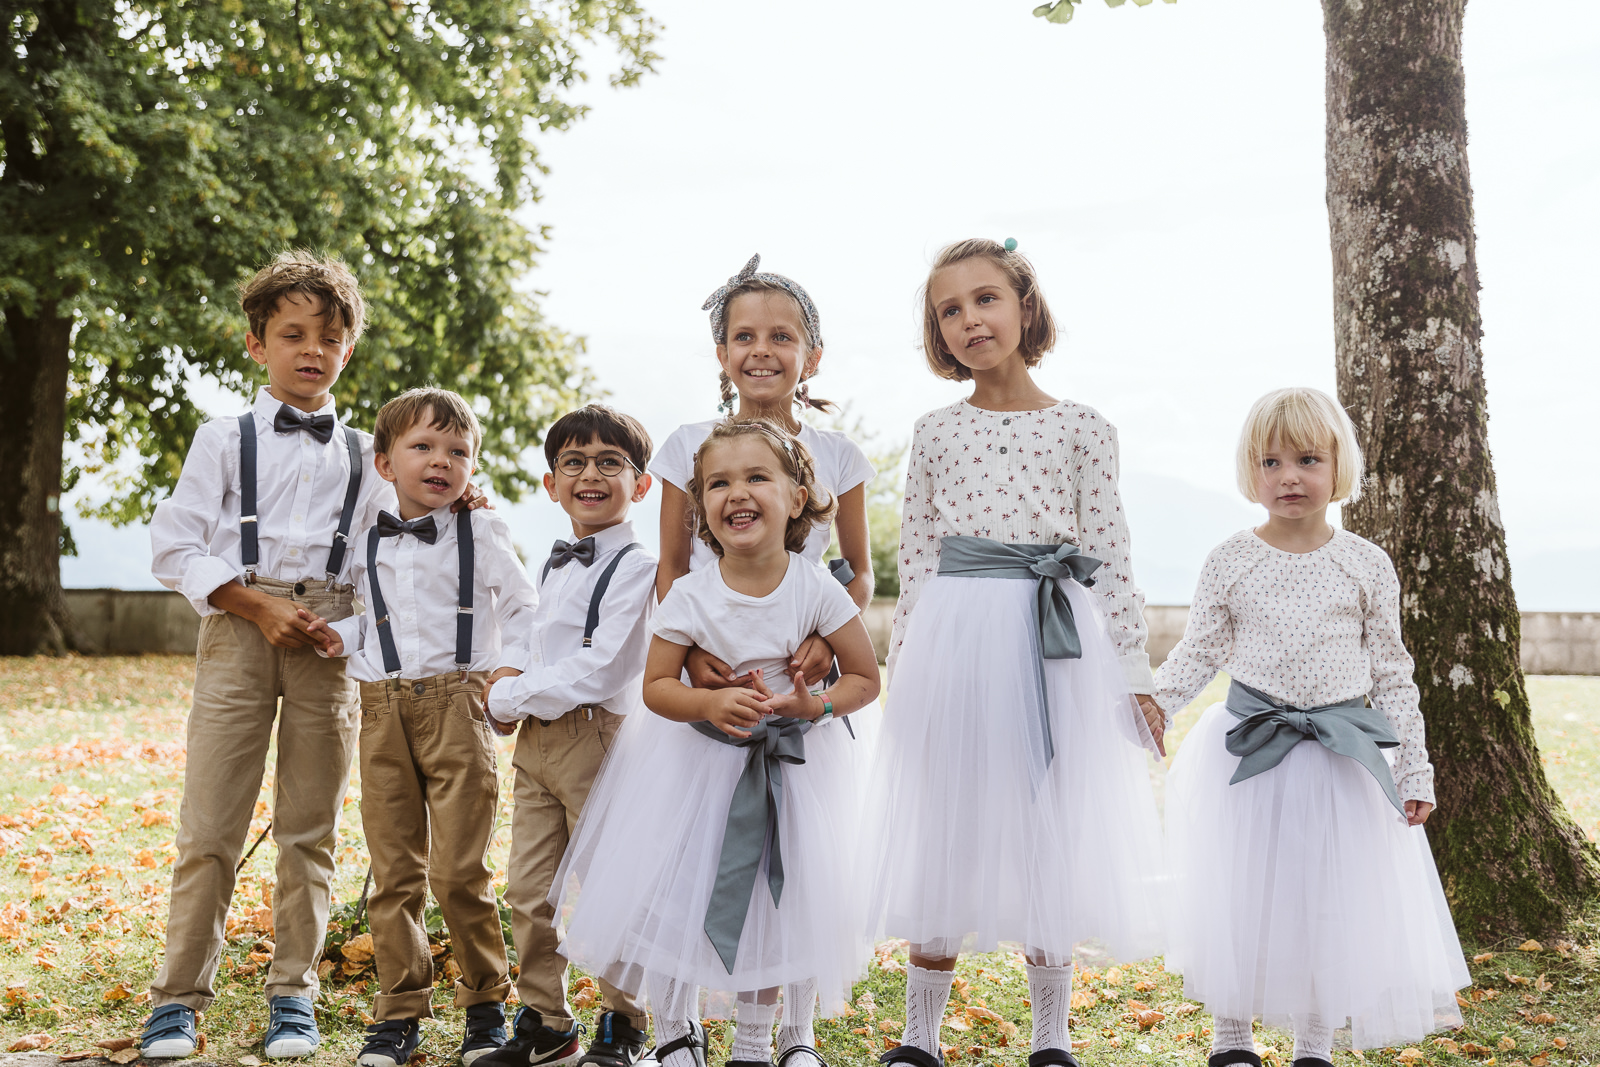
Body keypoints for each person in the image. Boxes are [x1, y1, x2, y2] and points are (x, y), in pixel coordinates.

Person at [145, 252, 480, 1059]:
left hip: (331, 633)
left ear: (348, 351)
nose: (311, 350)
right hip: (238, 619)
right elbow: (174, 545)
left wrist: (461, 494)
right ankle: (177, 997)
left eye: (329, 337)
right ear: (257, 343)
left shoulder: (372, 452)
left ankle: (293, 992)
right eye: (291, 334)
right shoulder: (223, 438)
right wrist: (255, 604)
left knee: (310, 825)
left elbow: (403, 532)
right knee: (211, 821)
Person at [866, 238, 1168, 1067]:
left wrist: (1135, 676)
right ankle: (918, 1033)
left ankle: (1051, 1033)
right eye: (949, 311)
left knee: (1049, 821)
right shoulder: (935, 431)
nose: (969, 320)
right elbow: (920, 557)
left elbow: (1109, 554)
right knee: (948, 816)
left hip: (1053, 644)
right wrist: (909, 666)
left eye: (984, 299)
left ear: (1024, 305)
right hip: (956, 645)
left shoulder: (1083, 427)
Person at [1151, 387, 1469, 1067]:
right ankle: (1232, 1033)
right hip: (1246, 754)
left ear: (1337, 466)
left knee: (1328, 902)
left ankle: (1314, 1040)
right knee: (1241, 897)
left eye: (1306, 458)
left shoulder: (1365, 563)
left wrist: (1415, 767)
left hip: (1338, 762)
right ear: (1250, 471)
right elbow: (1200, 649)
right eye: (1270, 461)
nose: (1288, 476)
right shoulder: (1230, 559)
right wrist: (1156, 704)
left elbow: (1392, 672)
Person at [552, 419, 882, 1067]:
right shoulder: (692, 594)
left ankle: (757, 1043)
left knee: (771, 904)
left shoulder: (814, 586)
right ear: (699, 506)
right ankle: (676, 1031)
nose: (738, 492)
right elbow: (656, 686)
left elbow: (866, 678)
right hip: (692, 766)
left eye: (758, 476)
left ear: (796, 496)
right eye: (719, 482)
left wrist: (812, 703)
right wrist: (708, 701)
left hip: (792, 768)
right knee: (677, 892)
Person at [300, 388, 536, 1067]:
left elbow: (522, 606)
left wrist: (507, 672)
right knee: (394, 870)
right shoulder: (367, 532)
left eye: (459, 451)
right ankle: (400, 1008)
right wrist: (337, 637)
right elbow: (374, 615)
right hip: (381, 708)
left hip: (458, 707)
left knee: (460, 868)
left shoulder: (482, 529)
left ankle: (486, 1002)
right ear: (384, 461)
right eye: (423, 447)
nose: (442, 461)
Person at [474, 404, 659, 1067]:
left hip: (598, 739)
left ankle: (624, 1021)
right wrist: (509, 683)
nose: (590, 473)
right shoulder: (554, 564)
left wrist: (508, 694)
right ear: (551, 484)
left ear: (640, 484)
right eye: (573, 462)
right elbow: (531, 637)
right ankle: (547, 1022)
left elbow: (602, 665)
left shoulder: (639, 564)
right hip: (537, 745)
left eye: (610, 461)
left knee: (606, 885)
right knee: (529, 889)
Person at [654, 254, 876, 688]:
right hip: (712, 655)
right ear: (723, 355)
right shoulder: (686, 445)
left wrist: (828, 640)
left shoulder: (839, 455)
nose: (761, 350)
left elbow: (860, 572)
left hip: (798, 663)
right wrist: (690, 652)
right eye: (744, 337)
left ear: (811, 358)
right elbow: (673, 567)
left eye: (780, 337)